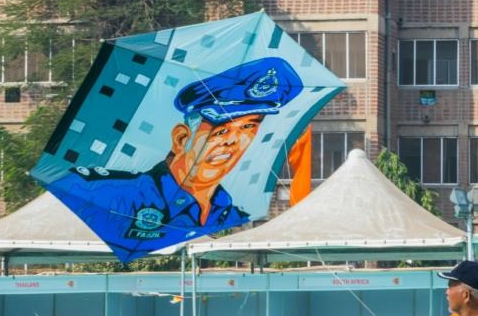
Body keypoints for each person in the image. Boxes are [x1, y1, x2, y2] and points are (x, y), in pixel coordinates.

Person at [49, 57, 304, 262]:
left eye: (248, 128)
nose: (233, 143)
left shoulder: (231, 210)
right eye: (220, 130)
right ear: (182, 139)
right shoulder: (108, 192)